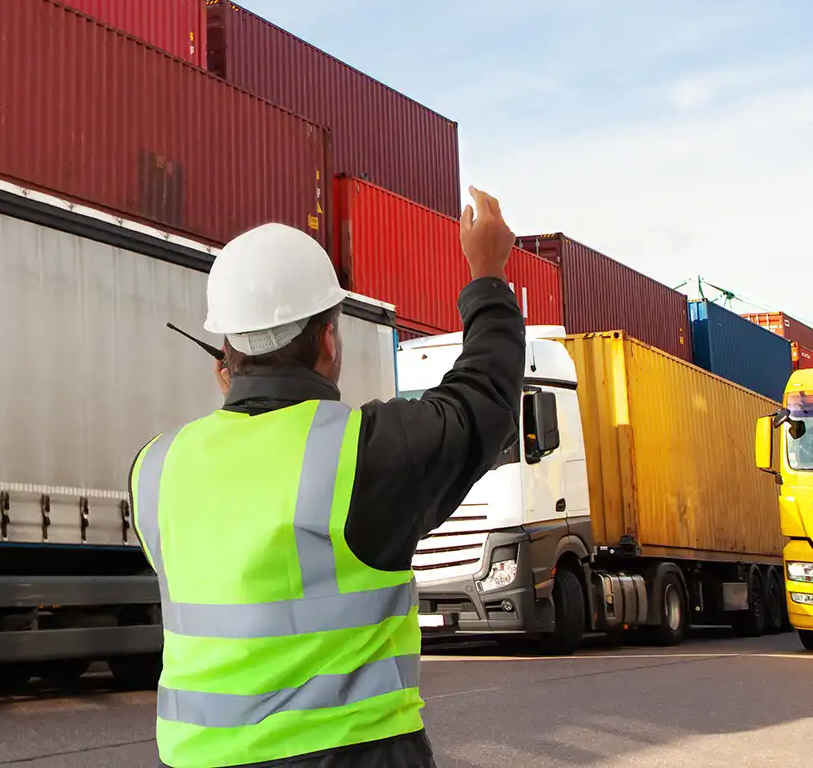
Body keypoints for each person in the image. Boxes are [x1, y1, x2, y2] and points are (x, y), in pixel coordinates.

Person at [131, 187, 524, 768]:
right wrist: (488, 277)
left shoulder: (155, 467)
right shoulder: (362, 452)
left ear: (227, 351)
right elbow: (481, 402)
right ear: (328, 340)